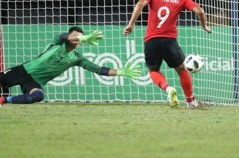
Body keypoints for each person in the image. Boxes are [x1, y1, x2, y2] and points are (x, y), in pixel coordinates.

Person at [123, 0, 211, 109]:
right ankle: (190, 102)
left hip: (151, 41)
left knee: (153, 71)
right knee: (182, 70)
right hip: (169, 41)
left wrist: (131, 24)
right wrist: (204, 26)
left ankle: (168, 89)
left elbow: (140, 4)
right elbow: (200, 11)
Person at [0, 26, 141, 106]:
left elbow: (99, 70)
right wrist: (84, 37)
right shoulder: (57, 44)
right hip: (23, 71)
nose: (78, 40)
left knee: (38, 96)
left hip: (34, 82)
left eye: (81, 38)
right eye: (76, 37)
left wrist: (122, 71)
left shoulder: (77, 58)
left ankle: (4, 100)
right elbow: (62, 36)